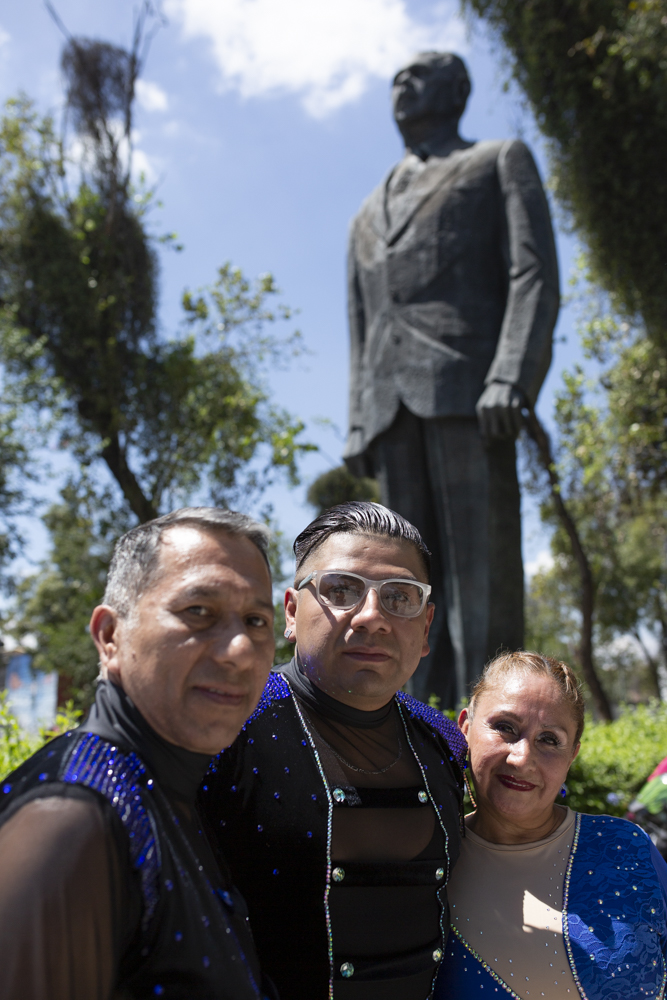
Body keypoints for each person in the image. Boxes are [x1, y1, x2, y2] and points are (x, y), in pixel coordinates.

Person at [344, 51, 559, 708]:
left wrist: (511, 375)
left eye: (419, 75)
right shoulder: (364, 213)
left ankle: (494, 720)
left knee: (478, 574)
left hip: (471, 392)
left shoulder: (497, 161)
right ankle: (412, 723)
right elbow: (359, 321)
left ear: (457, 89)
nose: (402, 86)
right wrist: (357, 419)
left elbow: (532, 273)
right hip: (389, 406)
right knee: (400, 579)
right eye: (395, 80)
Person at [0, 507, 278, 1000]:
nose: (239, 650)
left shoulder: (182, 792)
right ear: (110, 636)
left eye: (256, 620)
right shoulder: (69, 823)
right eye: (199, 611)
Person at [201, 501, 467, 1000]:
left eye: (400, 597)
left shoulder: (445, 741)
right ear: (291, 612)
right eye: (341, 590)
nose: (372, 617)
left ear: (426, 627)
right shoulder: (225, 729)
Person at [435, 650, 667, 1000]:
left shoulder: (627, 848)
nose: (522, 758)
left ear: (572, 755)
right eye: (505, 727)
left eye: (549, 739)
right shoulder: (432, 860)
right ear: (465, 728)